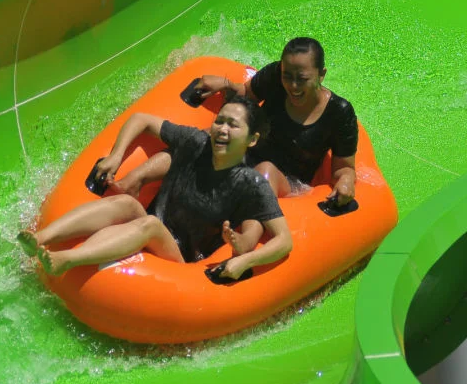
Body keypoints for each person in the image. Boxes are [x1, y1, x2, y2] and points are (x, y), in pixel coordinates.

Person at [113, 37, 359, 248]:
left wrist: (346, 183)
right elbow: (247, 94)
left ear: (321, 74)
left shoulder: (339, 112)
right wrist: (227, 84)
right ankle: (133, 182)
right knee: (199, 144)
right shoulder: (275, 76)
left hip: (288, 179)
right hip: (249, 152)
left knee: (264, 172)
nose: (292, 86)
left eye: (302, 79)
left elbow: (343, 167)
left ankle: (247, 239)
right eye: (288, 76)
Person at [19, 97, 293, 281]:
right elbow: (142, 119)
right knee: (127, 204)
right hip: (151, 224)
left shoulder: (251, 185)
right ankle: (41, 237)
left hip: (182, 258)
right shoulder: (196, 142)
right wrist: (116, 155)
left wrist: (245, 261)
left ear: (252, 139)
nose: (222, 129)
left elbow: (284, 241)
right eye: (220, 120)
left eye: (233, 125)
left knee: (150, 224)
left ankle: (68, 259)